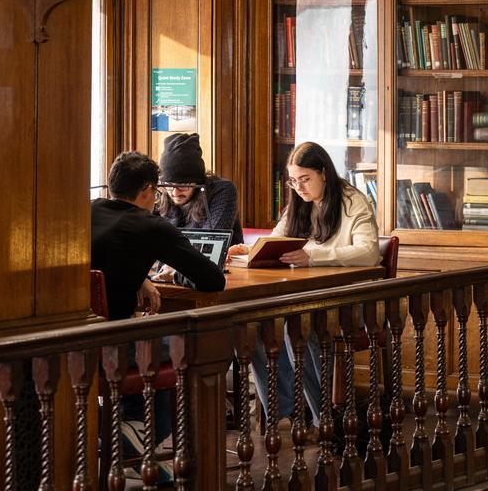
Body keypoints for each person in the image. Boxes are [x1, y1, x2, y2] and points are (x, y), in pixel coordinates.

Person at [229, 141, 380, 428]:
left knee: (300, 327)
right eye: (293, 181)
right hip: (306, 296)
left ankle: (326, 419)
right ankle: (288, 411)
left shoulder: (352, 201)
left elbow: (369, 251)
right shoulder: (298, 203)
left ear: (323, 173)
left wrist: (313, 255)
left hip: (350, 299)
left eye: (305, 180)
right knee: (256, 324)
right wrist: (248, 250)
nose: (299, 188)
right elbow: (276, 241)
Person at [91, 150, 225, 470]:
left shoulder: (89, 210)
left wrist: (140, 278)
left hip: (76, 343)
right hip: (118, 345)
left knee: (158, 337)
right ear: (149, 191)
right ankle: (144, 433)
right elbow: (211, 279)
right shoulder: (148, 225)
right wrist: (163, 275)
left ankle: (137, 435)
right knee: (184, 342)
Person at [155, 132, 242, 245]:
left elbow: (210, 242)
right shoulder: (160, 191)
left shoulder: (222, 191)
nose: (175, 192)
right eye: (169, 185)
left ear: (198, 181)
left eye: (182, 185)